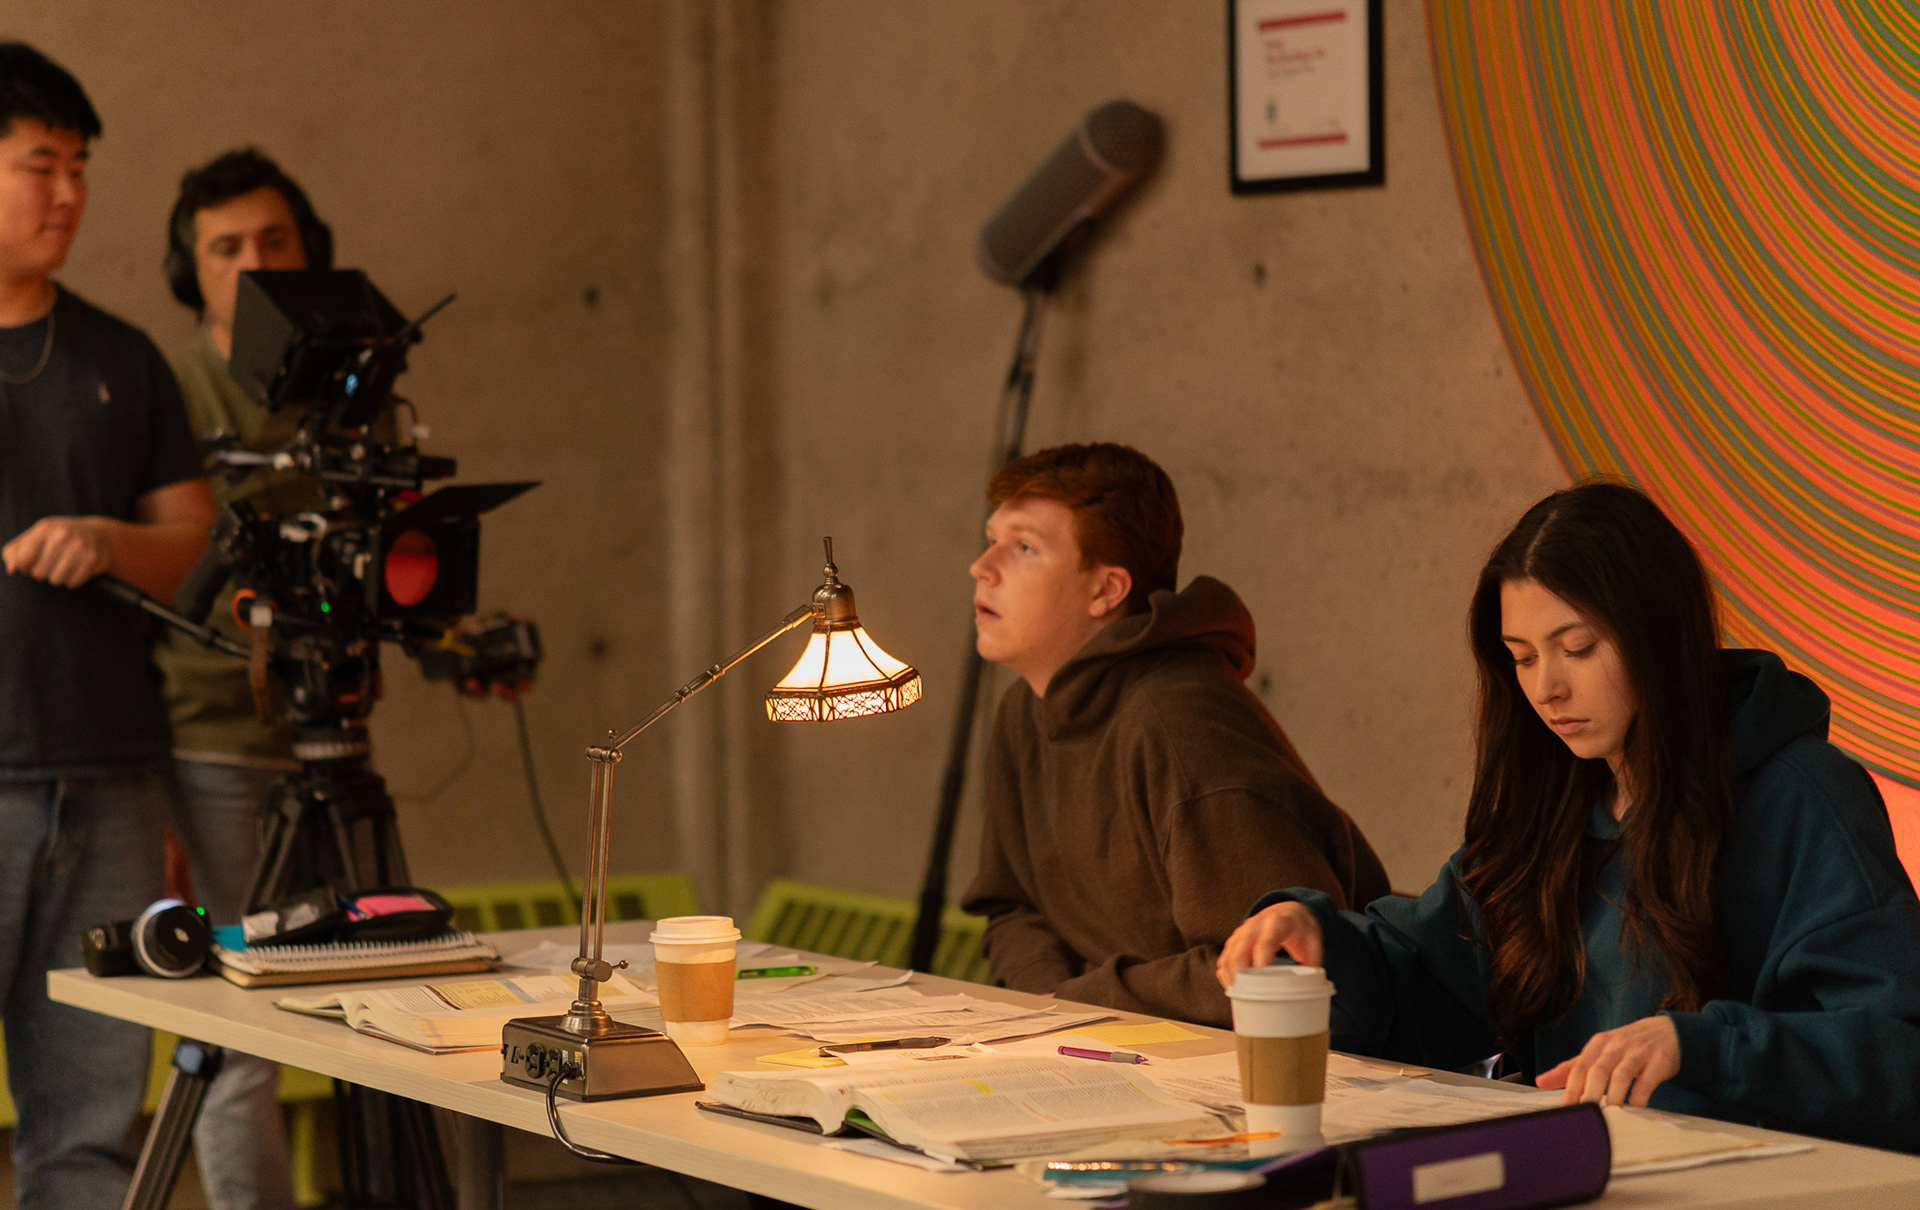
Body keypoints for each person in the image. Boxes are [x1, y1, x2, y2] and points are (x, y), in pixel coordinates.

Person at [1218, 481, 1920, 1151]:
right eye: (1522, 659)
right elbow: (1434, 978)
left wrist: (1703, 1046)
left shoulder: (1804, 798)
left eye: (1578, 649)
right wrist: (1318, 940)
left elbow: (1898, 1051)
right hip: (1584, 1172)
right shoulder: (1554, 806)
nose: (1547, 689)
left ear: (1658, 637)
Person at [0, 43, 218, 1207]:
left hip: (112, 780)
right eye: (41, 165)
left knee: (88, 1129)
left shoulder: (119, 356)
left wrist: (107, 540)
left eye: (79, 167)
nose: (69, 193)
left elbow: (194, 541)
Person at [961, 443, 1390, 1028]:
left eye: (1024, 547)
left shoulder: (1179, 722)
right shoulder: (1023, 711)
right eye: (992, 539)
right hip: (1099, 1039)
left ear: (1106, 590)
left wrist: (1077, 1004)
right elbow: (1012, 906)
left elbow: (1274, 965)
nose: (982, 566)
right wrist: (1048, 1003)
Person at [149, 148, 335, 1210]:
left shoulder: (351, 384)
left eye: (275, 241)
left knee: (369, 995)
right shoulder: (170, 390)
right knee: (247, 1015)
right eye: (227, 249)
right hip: (210, 734)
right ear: (193, 272)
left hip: (331, 728)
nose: (255, 265)